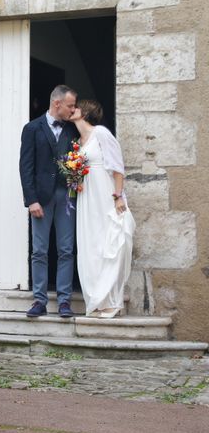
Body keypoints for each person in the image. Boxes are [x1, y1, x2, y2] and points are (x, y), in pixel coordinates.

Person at [69, 100, 135, 318]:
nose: (72, 109)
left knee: (108, 241)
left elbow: (117, 168)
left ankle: (108, 299)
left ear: (85, 112)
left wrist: (117, 197)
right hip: (86, 196)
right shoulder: (78, 141)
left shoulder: (101, 133)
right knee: (90, 244)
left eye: (76, 107)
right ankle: (95, 299)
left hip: (104, 194)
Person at [19, 85, 79, 318]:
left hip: (66, 197)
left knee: (66, 249)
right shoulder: (32, 128)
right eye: (70, 105)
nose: (73, 109)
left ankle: (64, 301)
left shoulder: (73, 129)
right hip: (41, 199)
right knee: (39, 251)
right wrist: (31, 200)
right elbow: (26, 167)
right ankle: (39, 300)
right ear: (57, 104)